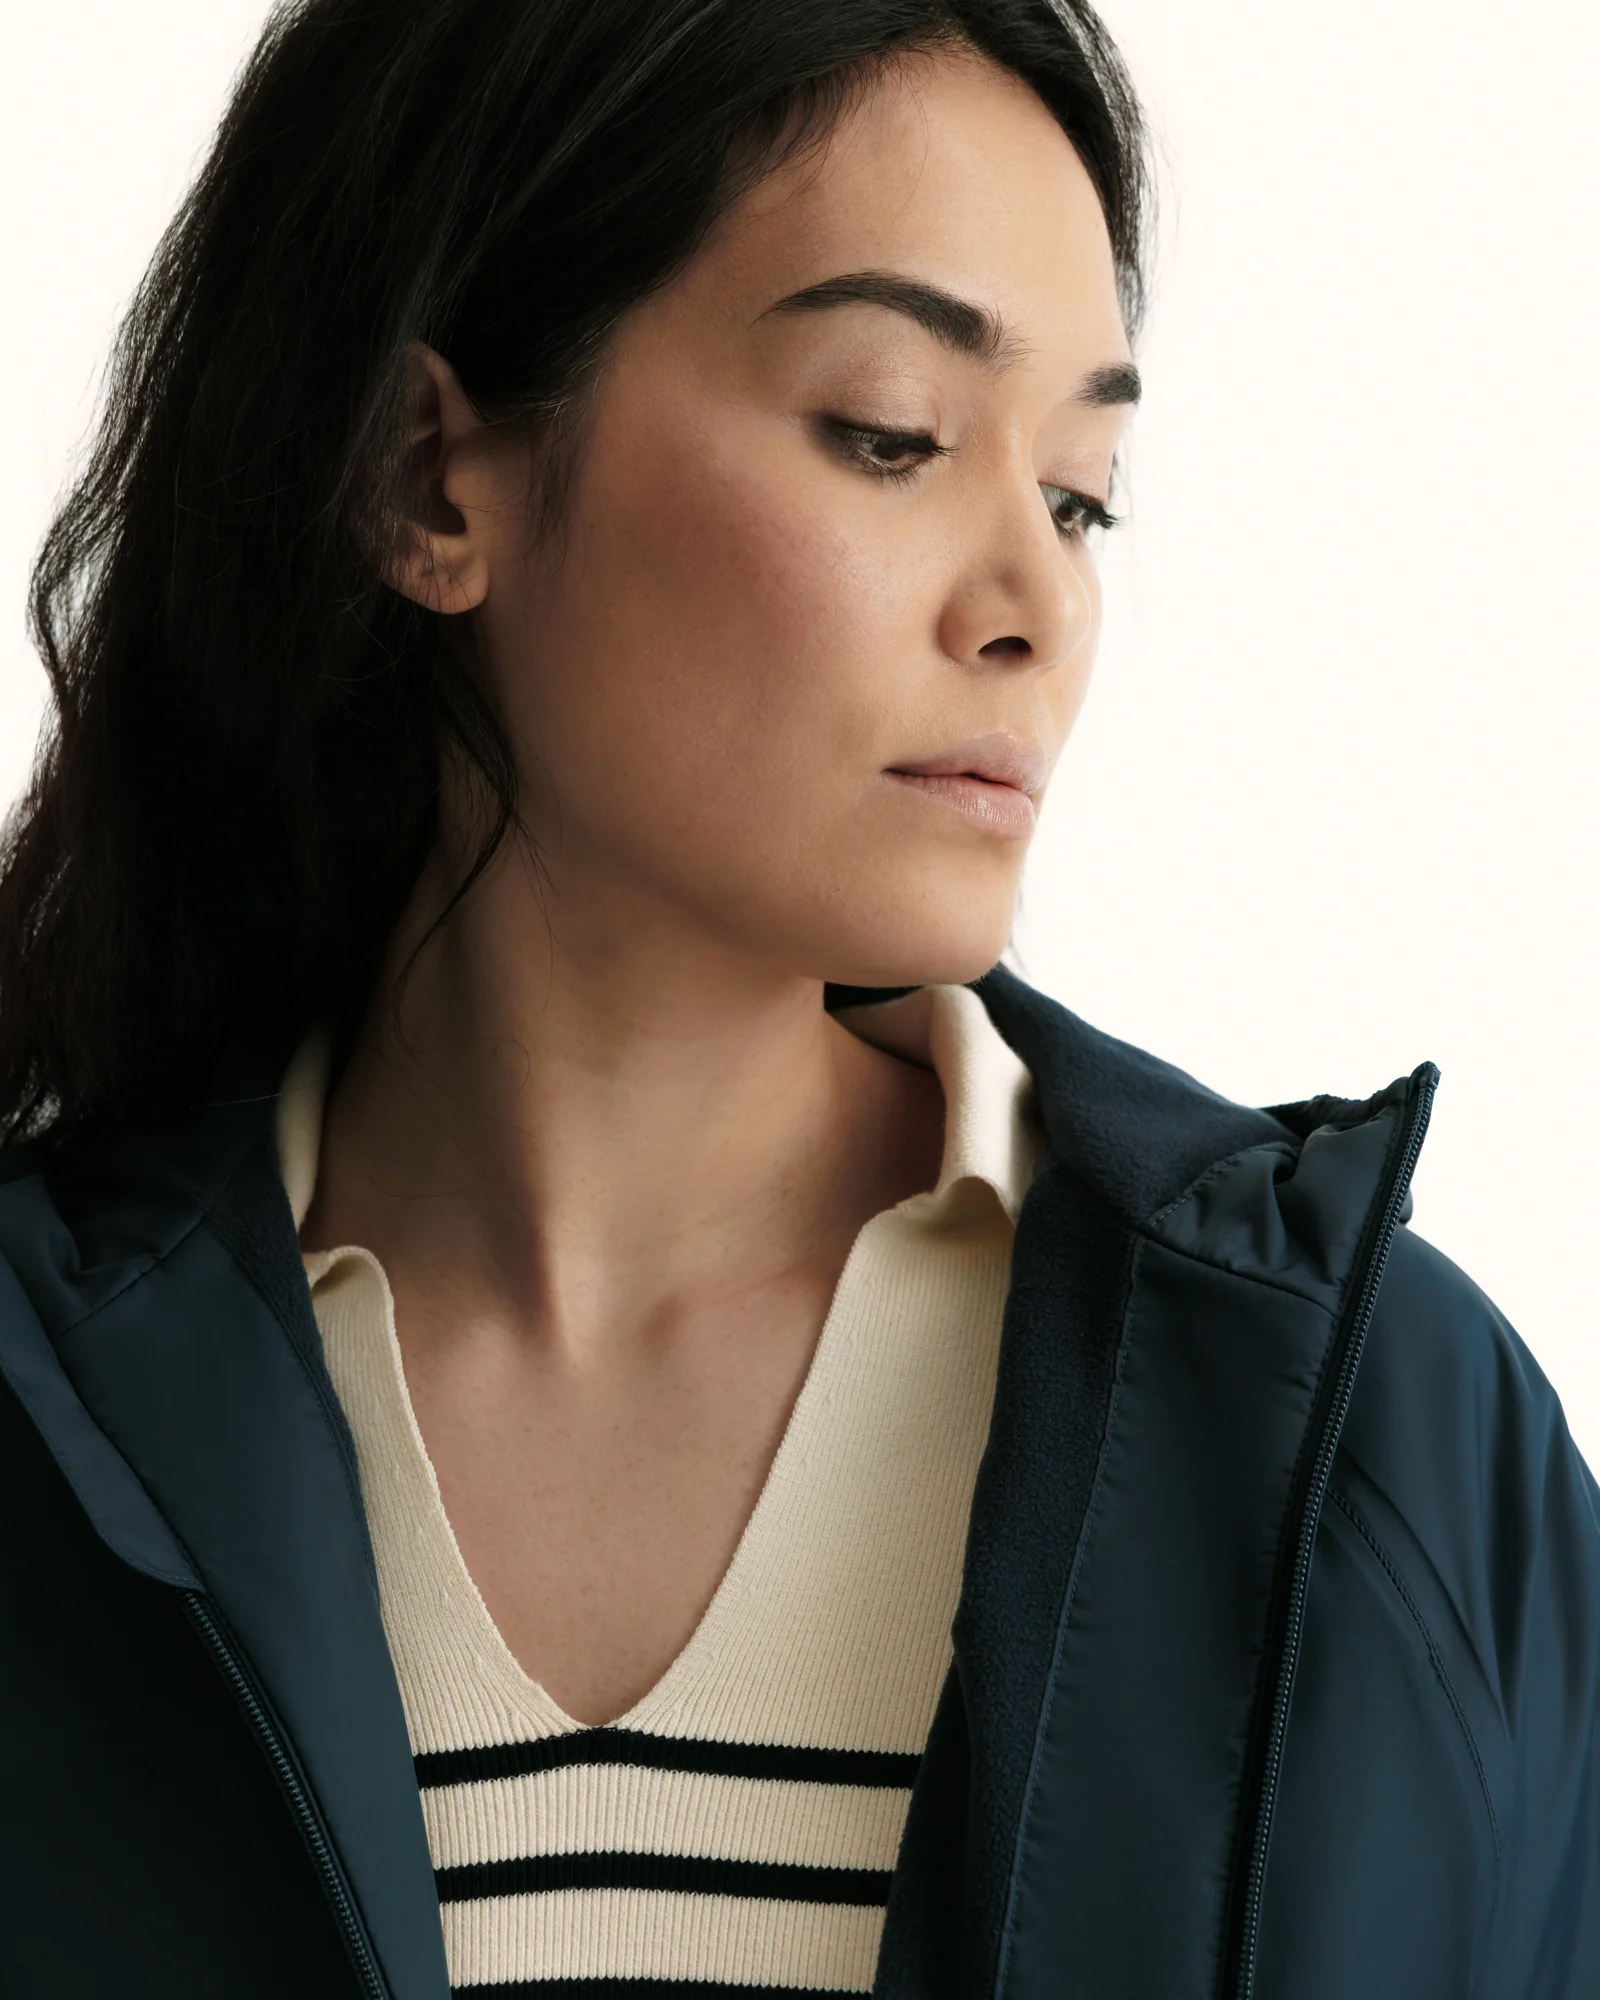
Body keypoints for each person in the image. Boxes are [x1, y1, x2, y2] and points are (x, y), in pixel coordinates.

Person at [0, 0, 1594, 1993]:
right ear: (428, 479)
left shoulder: (1382, 1451)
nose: (1038, 603)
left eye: (1080, 491)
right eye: (891, 435)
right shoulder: (45, 1448)